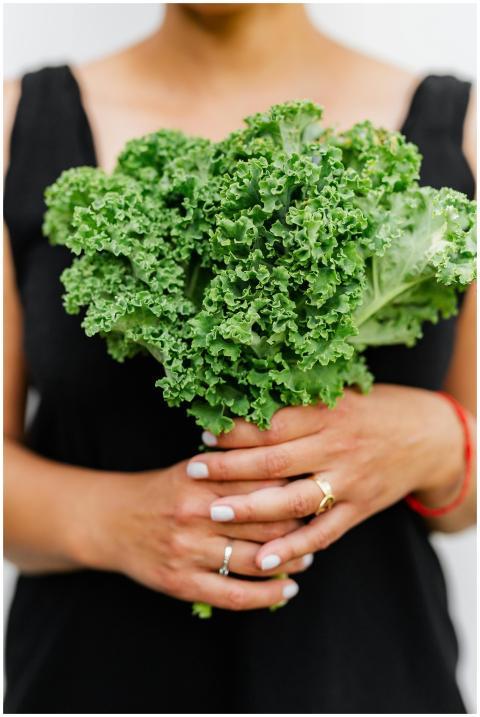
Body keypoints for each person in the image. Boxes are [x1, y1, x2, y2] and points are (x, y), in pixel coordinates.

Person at [4, 3, 476, 713]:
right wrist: (117, 520)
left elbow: (460, 503)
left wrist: (437, 440)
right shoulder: (14, 129)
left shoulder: (464, 133)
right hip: (94, 684)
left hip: (370, 683)